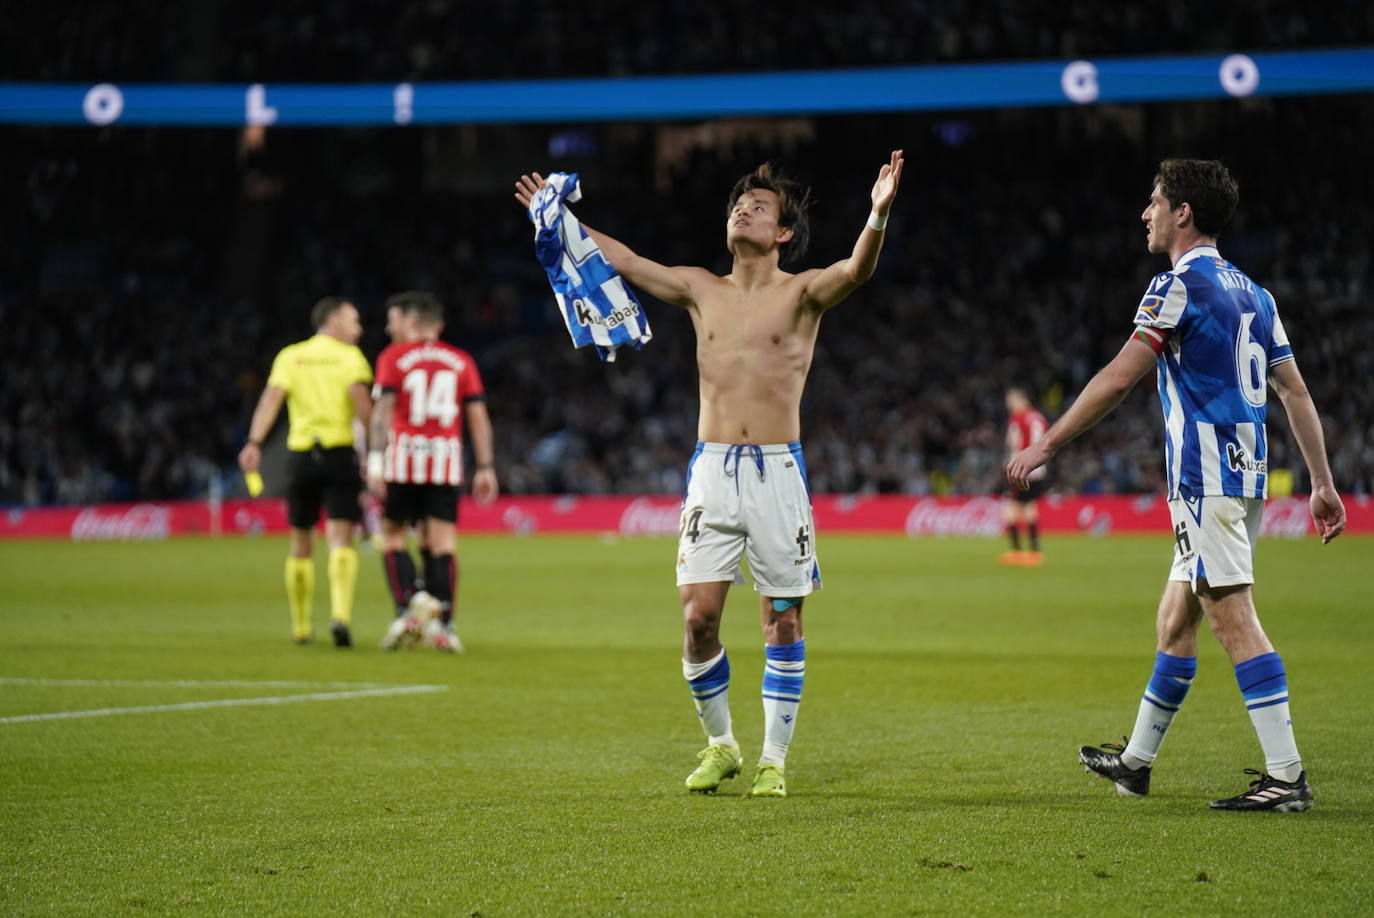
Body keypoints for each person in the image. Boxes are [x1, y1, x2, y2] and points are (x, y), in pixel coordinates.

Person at [514, 151, 904, 797]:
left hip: (779, 472)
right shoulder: (701, 287)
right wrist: (555, 217)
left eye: (759, 206)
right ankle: (721, 746)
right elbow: (627, 261)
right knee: (698, 619)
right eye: (736, 205)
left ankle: (774, 760)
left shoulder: (804, 292)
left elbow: (857, 269)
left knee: (782, 619)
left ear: (782, 234)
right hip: (712, 470)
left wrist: (878, 213)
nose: (742, 209)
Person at [1007, 159, 1346, 811]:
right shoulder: (1256, 293)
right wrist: (1322, 484)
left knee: (1230, 615)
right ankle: (1136, 762)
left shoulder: (1175, 286)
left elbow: (1117, 378)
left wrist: (1046, 442)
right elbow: (1294, 390)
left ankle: (1287, 777)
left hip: (1206, 475)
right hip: (1245, 473)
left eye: (1154, 201)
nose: (1146, 213)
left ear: (1182, 213)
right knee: (1175, 618)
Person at [367, 290, 498, 653]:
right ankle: (445, 627)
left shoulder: (394, 356)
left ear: (412, 322)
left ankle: (410, 603)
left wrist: (375, 461)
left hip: (403, 461)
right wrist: (486, 466)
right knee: (442, 545)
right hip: (444, 462)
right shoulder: (461, 360)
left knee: (392, 537)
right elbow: (477, 417)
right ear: (437, 325)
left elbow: (381, 413)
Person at [239, 296, 374, 647]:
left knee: (300, 541)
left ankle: (301, 628)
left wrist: (254, 442)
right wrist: (375, 452)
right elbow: (363, 407)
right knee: (340, 538)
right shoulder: (350, 358)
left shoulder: (291, 356)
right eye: (353, 320)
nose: (358, 328)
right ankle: (340, 617)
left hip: (300, 456)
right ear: (332, 321)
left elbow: (271, 400)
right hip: (339, 453)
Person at [999, 387, 1049, 566]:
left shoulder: (1017, 418)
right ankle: (1034, 552)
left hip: (1020, 468)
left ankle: (1016, 552)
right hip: (1038, 469)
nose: (1008, 404)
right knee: (1029, 507)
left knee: (1010, 509)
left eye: (1011, 399)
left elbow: (1013, 442)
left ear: (1021, 399)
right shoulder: (1039, 417)